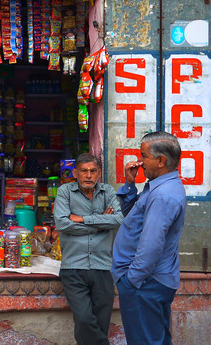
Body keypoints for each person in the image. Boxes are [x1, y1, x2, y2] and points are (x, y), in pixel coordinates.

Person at [111, 131, 187, 345]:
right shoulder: (159, 187)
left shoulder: (163, 195)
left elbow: (151, 244)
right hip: (148, 283)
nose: (140, 162)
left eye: (144, 156)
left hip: (145, 284)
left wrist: (131, 280)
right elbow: (133, 218)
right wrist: (129, 183)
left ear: (161, 160)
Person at [54, 153, 124, 345]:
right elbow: (62, 224)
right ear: (75, 172)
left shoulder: (107, 191)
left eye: (93, 171)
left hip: (103, 267)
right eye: (84, 171)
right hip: (73, 268)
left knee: (101, 323)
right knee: (84, 319)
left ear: (99, 173)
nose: (88, 175)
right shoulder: (65, 192)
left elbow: (118, 219)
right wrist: (101, 222)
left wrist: (83, 218)